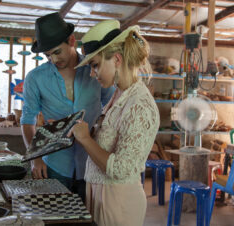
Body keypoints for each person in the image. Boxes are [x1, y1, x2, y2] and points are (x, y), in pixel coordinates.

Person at [68, 20, 160, 226]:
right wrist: (82, 134)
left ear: (117, 59)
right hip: (101, 196)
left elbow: (120, 169)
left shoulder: (140, 106)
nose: (92, 74)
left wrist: (85, 139)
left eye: (95, 65)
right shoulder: (119, 95)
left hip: (119, 204)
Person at [21, 13, 115, 201]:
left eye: (57, 52)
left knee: (90, 219)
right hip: (54, 165)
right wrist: (36, 157)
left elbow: (111, 104)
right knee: (55, 217)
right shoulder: (35, 78)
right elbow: (27, 120)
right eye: (48, 55)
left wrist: (98, 130)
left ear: (71, 41)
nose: (54, 60)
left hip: (92, 163)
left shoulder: (95, 70)